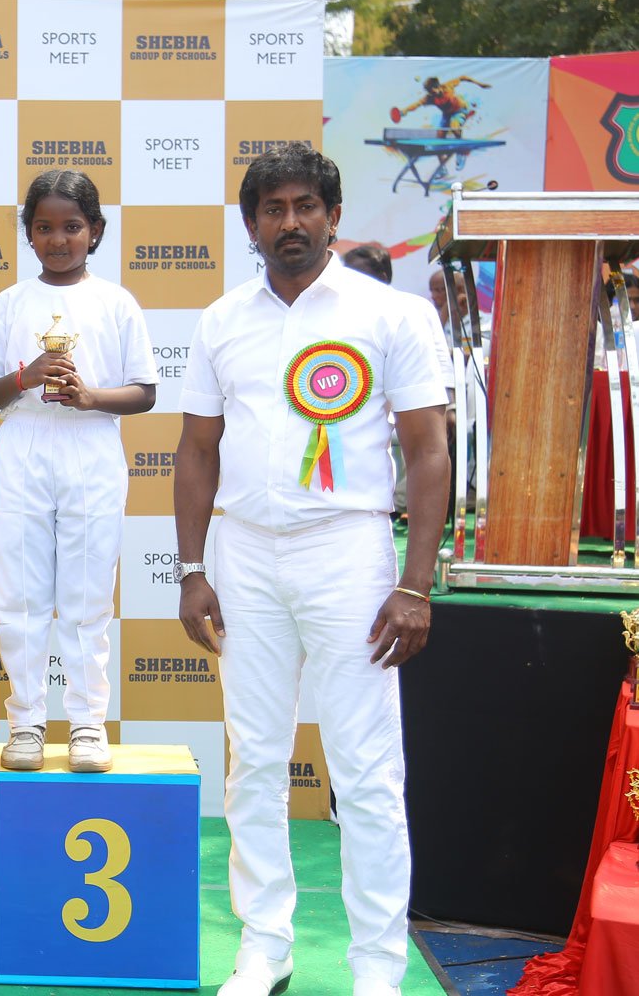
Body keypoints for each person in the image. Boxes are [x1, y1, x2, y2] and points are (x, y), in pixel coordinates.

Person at [173, 145, 449, 996]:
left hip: (349, 555)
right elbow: (195, 451)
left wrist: (415, 584)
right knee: (253, 762)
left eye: (305, 206)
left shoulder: (393, 315)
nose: (289, 222)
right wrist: (192, 569)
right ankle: (265, 947)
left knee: (365, 771)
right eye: (272, 209)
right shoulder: (222, 320)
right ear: (250, 223)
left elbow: (428, 452)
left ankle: (377, 967)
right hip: (244, 556)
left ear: (333, 216)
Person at [0, 170, 156, 774]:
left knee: (86, 596)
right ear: (28, 233)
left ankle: (86, 725)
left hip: (92, 445)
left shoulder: (116, 302)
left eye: (72, 227)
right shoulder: (10, 303)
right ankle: (24, 722)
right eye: (45, 227)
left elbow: (145, 393)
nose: (58, 240)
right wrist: (27, 376)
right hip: (24, 445)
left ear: (95, 231)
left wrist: (91, 397)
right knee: (19, 595)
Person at [342, 246, 455, 519]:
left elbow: (441, 363)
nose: (352, 280)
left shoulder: (413, 307)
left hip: (412, 403)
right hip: (359, 411)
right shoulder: (342, 311)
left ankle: (406, 508)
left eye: (360, 274)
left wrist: (450, 408)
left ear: (382, 276)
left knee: (421, 451)